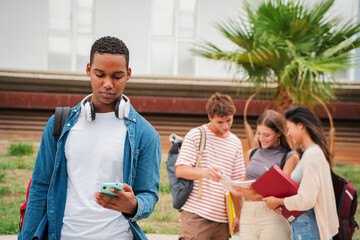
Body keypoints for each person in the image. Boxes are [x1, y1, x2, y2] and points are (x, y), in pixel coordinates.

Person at [18, 36, 162, 240]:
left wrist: (133, 205)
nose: (108, 84)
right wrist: (27, 236)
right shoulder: (58, 124)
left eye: (117, 76)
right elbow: (40, 185)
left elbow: (149, 194)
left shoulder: (146, 135)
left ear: (128, 74)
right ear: (88, 70)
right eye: (100, 74)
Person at [175, 92, 246, 240]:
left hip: (223, 220)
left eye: (229, 120)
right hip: (196, 215)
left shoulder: (236, 143)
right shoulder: (196, 135)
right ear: (210, 117)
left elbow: (237, 185)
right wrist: (205, 173)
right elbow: (180, 170)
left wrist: (238, 216)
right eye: (220, 122)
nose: (226, 126)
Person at [263, 106, 339, 240]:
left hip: (309, 226)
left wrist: (278, 201)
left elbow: (306, 200)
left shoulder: (312, 155)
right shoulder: (311, 153)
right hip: (304, 224)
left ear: (300, 125)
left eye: (289, 127)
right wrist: (280, 204)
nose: (288, 133)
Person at [236, 109, 299, 240]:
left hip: (272, 216)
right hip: (248, 213)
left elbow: (281, 192)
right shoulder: (252, 153)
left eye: (267, 135)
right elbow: (244, 181)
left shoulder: (290, 157)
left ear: (278, 133)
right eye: (259, 134)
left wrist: (253, 195)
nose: (261, 138)